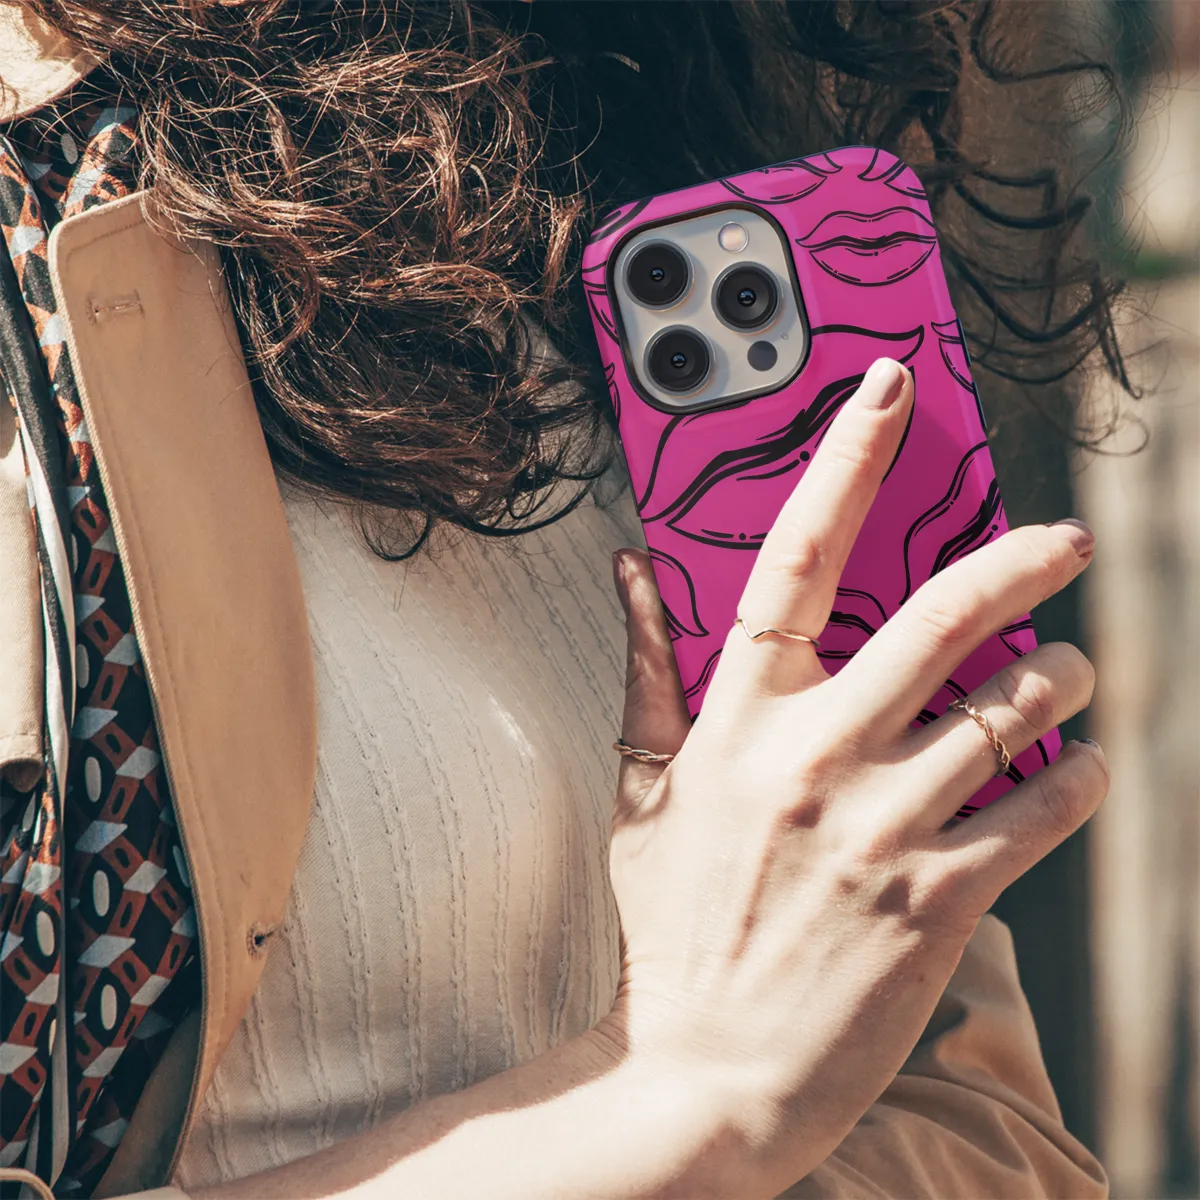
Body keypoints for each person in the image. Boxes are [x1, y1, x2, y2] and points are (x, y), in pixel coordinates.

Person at [0, 3, 1124, 1197]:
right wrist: (686, 1090)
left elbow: (989, 1137)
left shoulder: (616, 158)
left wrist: (740, 1091)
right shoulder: (44, 256)